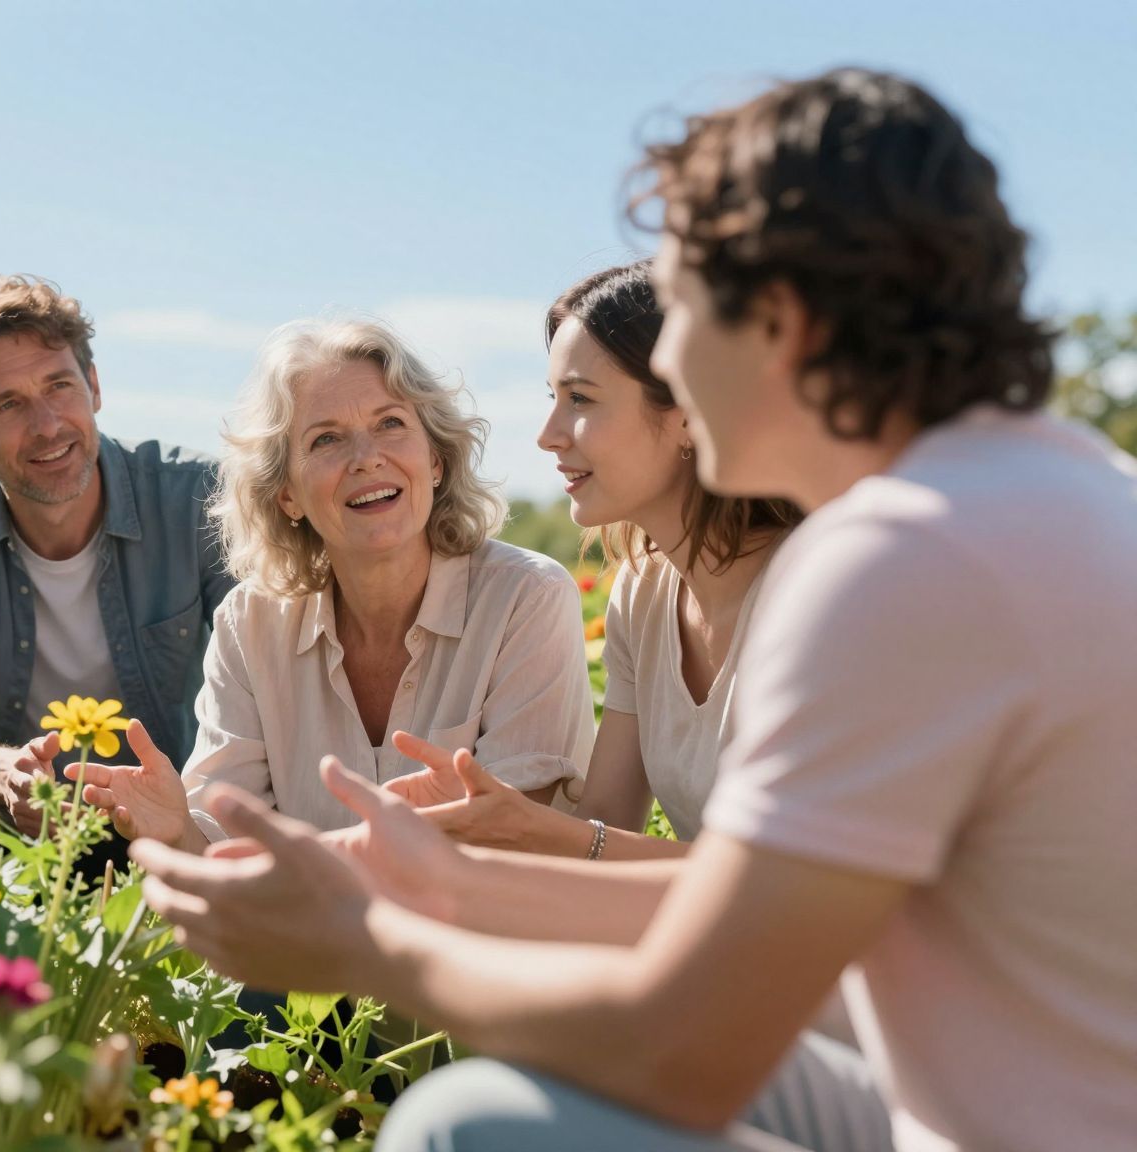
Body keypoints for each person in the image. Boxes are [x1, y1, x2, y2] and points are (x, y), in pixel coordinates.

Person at [129, 68, 1137, 1151]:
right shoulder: (1051, 487)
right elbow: (741, 919)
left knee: (463, 1124)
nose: (675, 364)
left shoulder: (900, 561)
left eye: (685, 311)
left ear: (780, 321)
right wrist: (447, 886)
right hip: (966, 1083)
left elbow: (684, 1050)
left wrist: (367, 942)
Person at [74, 317, 594, 850]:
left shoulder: (527, 598)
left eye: (390, 423)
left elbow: (519, 841)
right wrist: (176, 829)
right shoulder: (248, 624)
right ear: (287, 495)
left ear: (435, 459)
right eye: (326, 439)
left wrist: (316, 868)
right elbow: (222, 846)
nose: (366, 458)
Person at [389, 261, 798, 860]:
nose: (548, 434)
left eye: (579, 398)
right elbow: (605, 825)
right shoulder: (643, 593)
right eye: (553, 398)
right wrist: (484, 821)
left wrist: (541, 832)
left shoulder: (818, 588)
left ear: (690, 412)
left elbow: (798, 883)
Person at [0, 275, 234, 839]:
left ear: (94, 387)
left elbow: (273, 690)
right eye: (8, 404)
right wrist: (1, 774)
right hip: (11, 817)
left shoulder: (200, 496)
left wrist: (184, 816)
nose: (48, 426)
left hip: (176, 812)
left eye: (59, 386)